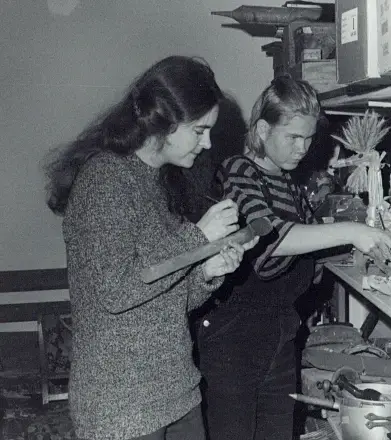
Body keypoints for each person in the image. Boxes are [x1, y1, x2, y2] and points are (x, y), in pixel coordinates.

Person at [44, 56, 258, 440]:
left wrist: (206, 272)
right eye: (199, 130)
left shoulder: (157, 182)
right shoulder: (105, 180)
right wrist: (198, 237)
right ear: (164, 122)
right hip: (122, 407)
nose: (208, 143)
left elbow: (165, 298)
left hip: (175, 393)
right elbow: (115, 290)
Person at [197, 75, 391, 440]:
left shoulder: (288, 181)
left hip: (279, 335)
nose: (302, 149)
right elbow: (272, 236)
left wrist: (358, 253)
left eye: (308, 138)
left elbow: (310, 247)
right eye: (293, 137)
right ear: (262, 130)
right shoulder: (239, 171)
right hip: (234, 340)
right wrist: (352, 232)